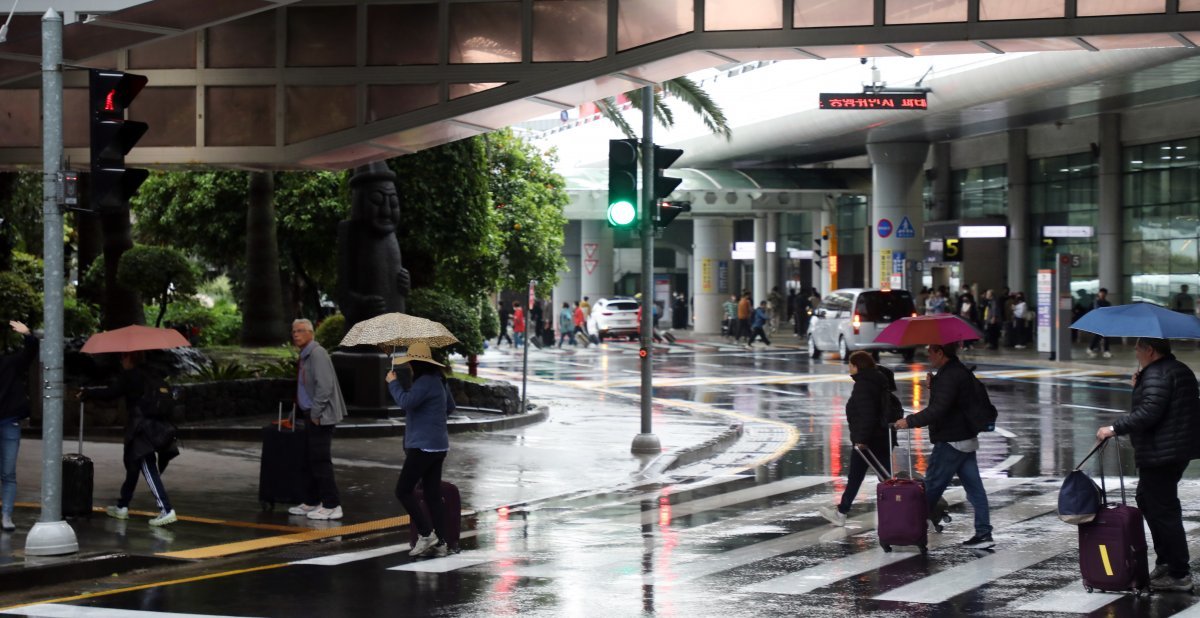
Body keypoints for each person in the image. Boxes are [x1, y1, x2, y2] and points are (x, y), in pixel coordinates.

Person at [1096, 338, 1200, 592]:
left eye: (1138, 347)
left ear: (1150, 351)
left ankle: (1178, 573)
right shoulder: (1178, 369)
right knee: (1149, 501)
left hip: (1161, 453)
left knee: (1163, 511)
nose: (1134, 351)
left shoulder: (1157, 373)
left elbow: (1150, 412)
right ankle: (1166, 563)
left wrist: (1113, 428)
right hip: (1174, 450)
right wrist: (1140, 384)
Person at [894, 342, 993, 549]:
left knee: (931, 489)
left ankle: (911, 531)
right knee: (975, 490)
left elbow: (938, 410)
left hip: (951, 441)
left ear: (941, 353)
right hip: (965, 439)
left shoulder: (950, 376)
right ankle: (983, 533)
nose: (928, 354)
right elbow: (953, 403)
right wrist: (933, 386)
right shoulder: (957, 372)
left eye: (931, 351)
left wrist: (909, 421)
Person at [82, 351, 179, 527]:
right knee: (133, 466)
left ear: (129, 358)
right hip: (154, 427)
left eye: (123, 357)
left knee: (147, 466)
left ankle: (166, 509)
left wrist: (88, 393)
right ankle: (122, 506)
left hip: (141, 428)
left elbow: (111, 393)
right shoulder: (151, 373)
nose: (121, 360)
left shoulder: (130, 376)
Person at [386, 342, 456, 557]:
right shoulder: (439, 380)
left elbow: (406, 402)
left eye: (410, 363)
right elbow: (450, 407)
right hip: (438, 446)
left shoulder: (424, 382)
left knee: (403, 490)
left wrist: (393, 383)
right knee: (432, 494)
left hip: (423, 446)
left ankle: (426, 534)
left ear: (415, 363)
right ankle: (442, 542)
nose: (408, 367)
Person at [820, 351, 897, 526]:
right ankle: (842, 511)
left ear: (856, 366)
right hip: (881, 437)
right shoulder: (879, 379)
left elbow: (867, 415)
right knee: (881, 478)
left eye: (850, 365)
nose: (849, 368)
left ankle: (911, 511)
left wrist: (861, 439)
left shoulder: (864, 385)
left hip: (869, 441)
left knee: (884, 479)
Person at [288, 319, 347, 520]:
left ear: (311, 333)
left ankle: (332, 504)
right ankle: (312, 501)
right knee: (309, 459)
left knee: (321, 460)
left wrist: (315, 413)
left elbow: (325, 386)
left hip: (321, 416)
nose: (296, 334)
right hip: (310, 413)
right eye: (294, 331)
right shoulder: (305, 355)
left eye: (301, 331)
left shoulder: (317, 353)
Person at [0, 321, 36, 532]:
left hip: (9, 422)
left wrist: (28, 334)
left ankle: (6, 515)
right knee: (8, 473)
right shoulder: (10, 363)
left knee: (8, 472)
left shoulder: (10, 363)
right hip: (10, 422)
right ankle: (6, 516)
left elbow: (30, 352)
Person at [1087, 288, 1112, 358]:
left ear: (1106, 294)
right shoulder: (1095, 302)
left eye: (1104, 293)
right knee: (1099, 336)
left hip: (1105, 322)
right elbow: (1090, 312)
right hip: (1097, 321)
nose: (1102, 294)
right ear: (1099, 293)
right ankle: (1092, 349)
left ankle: (1104, 351)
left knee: (1103, 336)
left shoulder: (1107, 303)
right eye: (1101, 293)